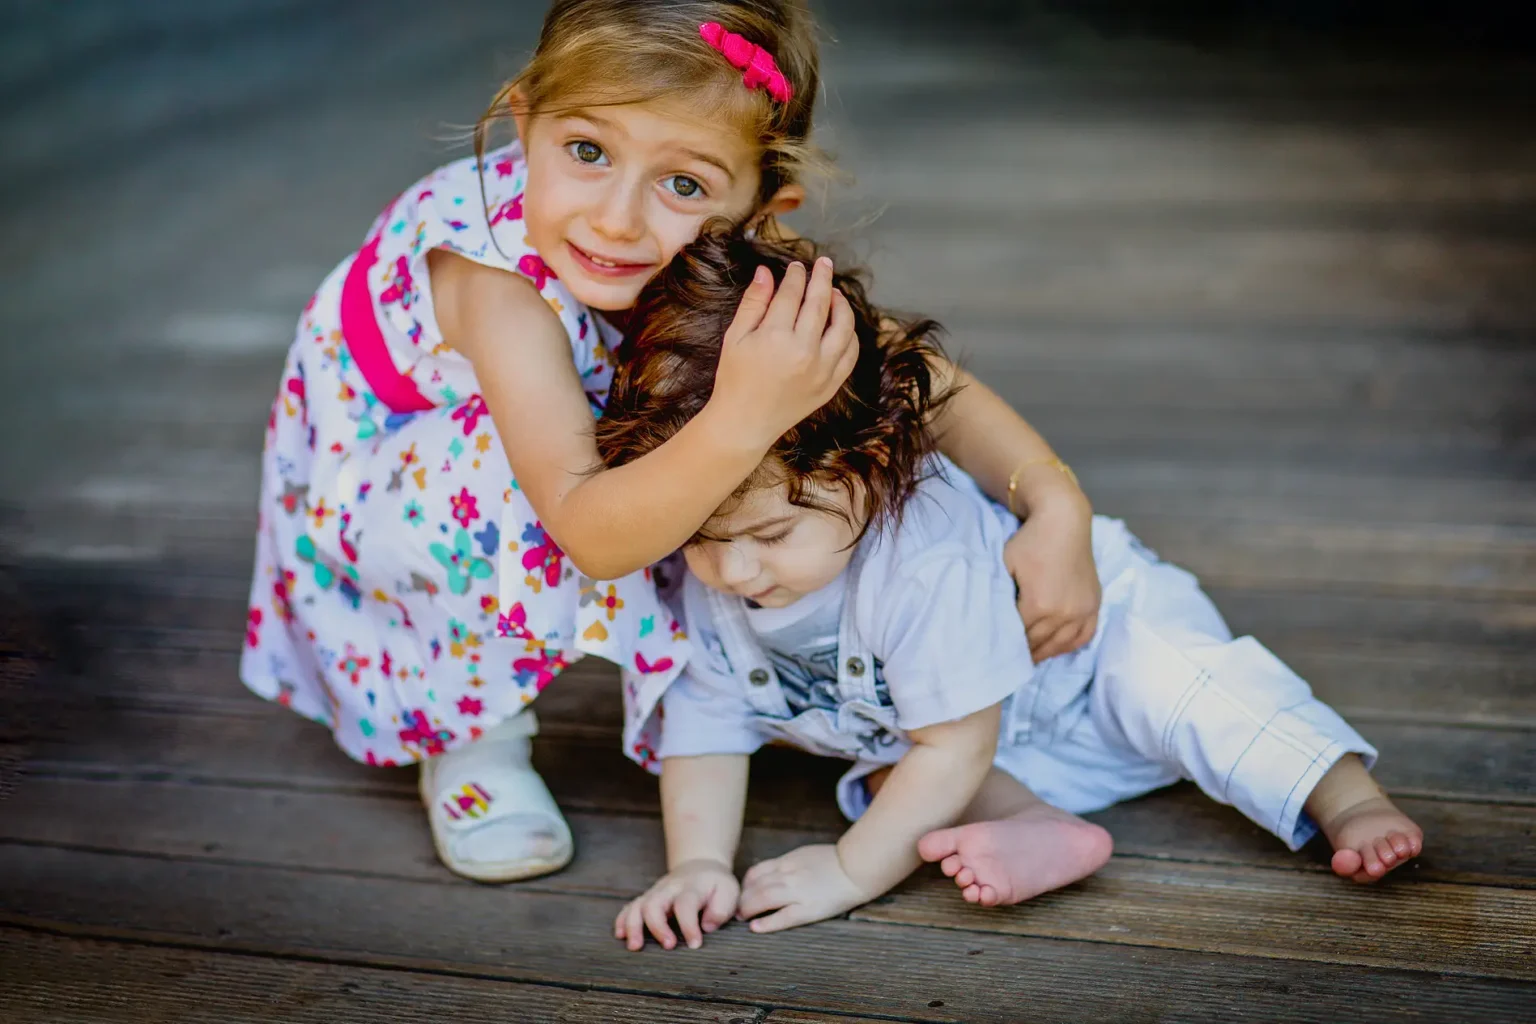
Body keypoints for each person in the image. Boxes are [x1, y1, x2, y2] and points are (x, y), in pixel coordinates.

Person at [241, 0, 1100, 885]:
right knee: (582, 457)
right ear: (524, 120)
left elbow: (909, 375)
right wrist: (742, 416)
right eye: (586, 152)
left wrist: (1054, 502)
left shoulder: (717, 244)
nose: (617, 220)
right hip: (392, 504)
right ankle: (472, 743)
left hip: (571, 462)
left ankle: (735, 676)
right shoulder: (492, 282)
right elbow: (587, 530)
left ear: (762, 209)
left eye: (683, 185)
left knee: (760, 388)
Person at [598, 230, 1425, 950]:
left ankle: (1344, 796)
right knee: (893, 778)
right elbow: (707, 716)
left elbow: (955, 744)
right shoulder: (715, 568)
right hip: (988, 737)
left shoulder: (920, 559)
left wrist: (852, 873)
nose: (735, 572)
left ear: (870, 470)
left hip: (1086, 658)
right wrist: (697, 865)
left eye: (771, 537)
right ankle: (1038, 825)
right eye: (704, 542)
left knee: (1182, 687)